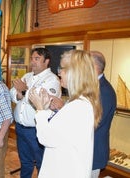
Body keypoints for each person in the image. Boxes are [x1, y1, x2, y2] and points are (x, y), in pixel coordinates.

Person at [29, 49, 102, 178]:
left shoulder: (78, 106)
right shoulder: (79, 102)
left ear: (74, 73)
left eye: (62, 68)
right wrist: (46, 109)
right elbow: (62, 132)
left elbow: (46, 138)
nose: (59, 73)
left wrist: (40, 109)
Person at [10, 47, 61, 178]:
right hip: (21, 128)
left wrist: (24, 91)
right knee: (25, 162)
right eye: (32, 58)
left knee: (41, 164)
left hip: (36, 131)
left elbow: (42, 101)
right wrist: (19, 94)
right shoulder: (27, 76)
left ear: (47, 61)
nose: (32, 62)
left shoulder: (52, 80)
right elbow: (12, 93)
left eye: (37, 59)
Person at [90, 51, 117, 178]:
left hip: (93, 152)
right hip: (87, 150)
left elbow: (95, 122)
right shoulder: (94, 86)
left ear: (93, 66)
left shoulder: (105, 90)